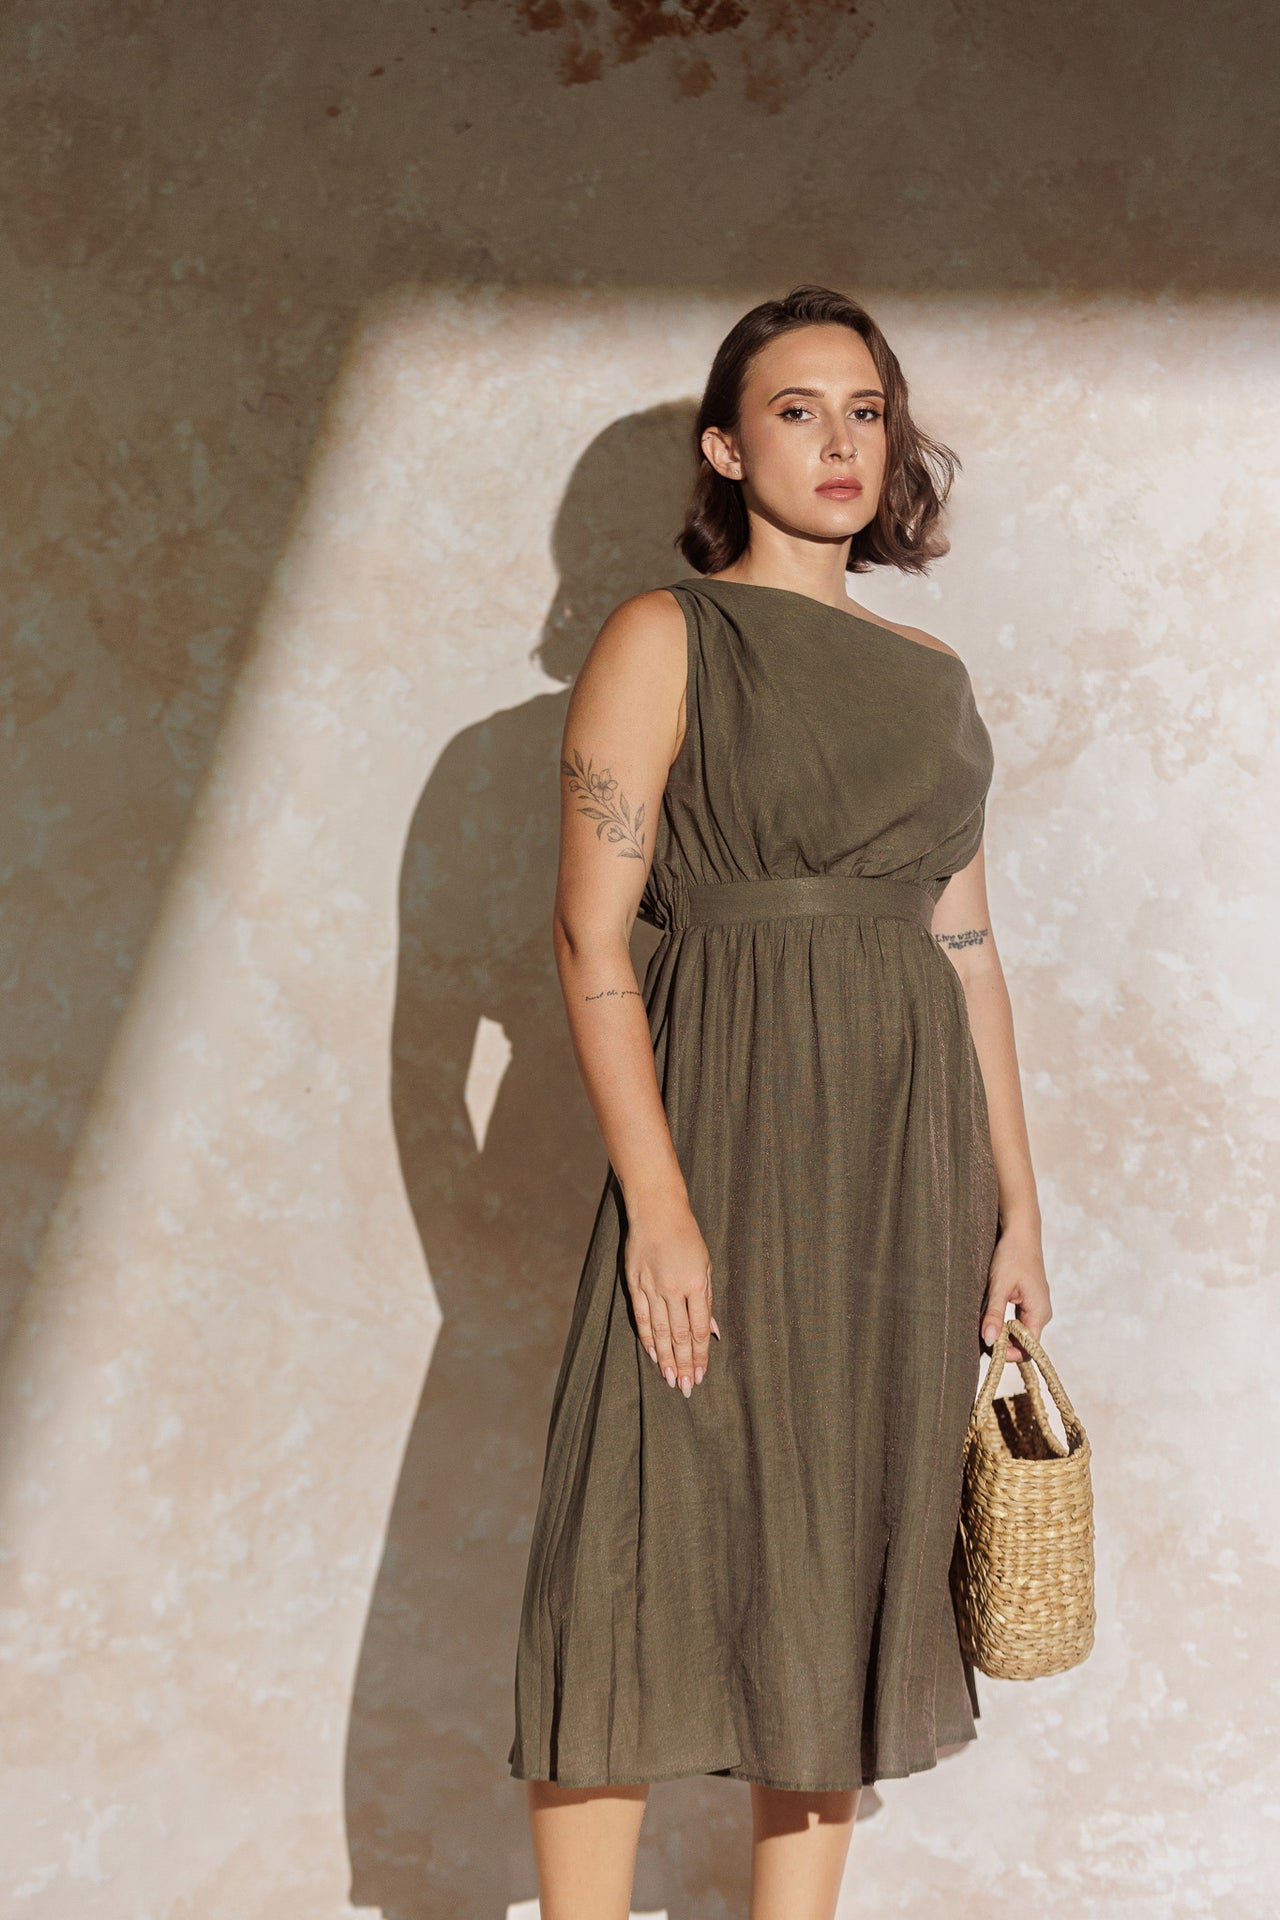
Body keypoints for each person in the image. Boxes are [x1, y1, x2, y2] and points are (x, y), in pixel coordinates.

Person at [507, 283, 1052, 1919]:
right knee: (625, 1539)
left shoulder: (933, 675)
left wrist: (1019, 1211)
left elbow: (968, 952)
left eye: (866, 411)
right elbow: (589, 938)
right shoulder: (666, 636)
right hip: (723, 1133)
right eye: (798, 411)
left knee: (840, 1556)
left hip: (905, 1165)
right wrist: (660, 1209)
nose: (839, 442)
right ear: (728, 450)